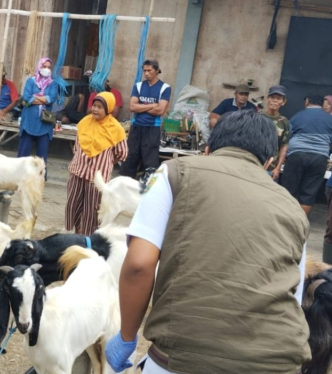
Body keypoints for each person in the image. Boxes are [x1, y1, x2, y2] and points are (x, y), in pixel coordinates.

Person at [105, 110, 310, 374]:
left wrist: (127, 336)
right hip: (278, 362)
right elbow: (296, 292)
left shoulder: (169, 172)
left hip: (182, 359)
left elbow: (139, 265)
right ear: (269, 162)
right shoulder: (294, 208)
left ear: (207, 149)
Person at [65, 92, 127, 235]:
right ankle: (73, 232)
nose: (95, 109)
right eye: (94, 105)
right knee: (72, 203)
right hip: (77, 171)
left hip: (97, 178)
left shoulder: (116, 128)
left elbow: (122, 153)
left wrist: (106, 162)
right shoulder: (85, 122)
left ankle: (87, 237)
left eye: (100, 107)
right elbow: (77, 145)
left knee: (92, 208)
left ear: (109, 109)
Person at [280, 94, 332, 216]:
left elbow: (287, 138)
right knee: (308, 194)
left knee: (288, 191)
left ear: (307, 102)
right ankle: (300, 224)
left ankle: (285, 221)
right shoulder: (330, 119)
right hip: (319, 158)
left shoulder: (298, 116)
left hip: (296, 156)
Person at [119, 59, 171, 179]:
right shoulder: (138, 86)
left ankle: (149, 189)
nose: (146, 73)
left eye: (149, 70)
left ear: (157, 70)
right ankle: (125, 184)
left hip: (152, 128)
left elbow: (161, 110)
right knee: (130, 157)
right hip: (136, 126)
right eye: (144, 71)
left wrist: (141, 107)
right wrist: (152, 105)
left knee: (150, 161)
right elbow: (132, 107)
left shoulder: (164, 88)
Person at [18, 57, 58, 179]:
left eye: (49, 67)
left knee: (42, 154)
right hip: (29, 120)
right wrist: (43, 99)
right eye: (44, 66)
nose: (46, 69)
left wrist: (35, 97)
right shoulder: (31, 81)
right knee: (23, 152)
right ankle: (18, 176)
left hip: (44, 123)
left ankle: (40, 178)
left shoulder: (53, 83)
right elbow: (26, 98)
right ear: (39, 67)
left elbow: (52, 99)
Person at [262, 85, 290, 181]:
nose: (274, 101)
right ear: (267, 99)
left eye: (278, 99)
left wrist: (278, 168)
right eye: (272, 97)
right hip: (254, 164)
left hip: (271, 168)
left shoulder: (284, 122)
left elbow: (284, 145)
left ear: (283, 102)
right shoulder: (257, 117)